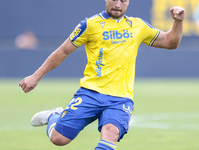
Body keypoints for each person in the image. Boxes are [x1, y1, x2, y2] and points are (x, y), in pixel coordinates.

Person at [19, 0, 185, 149]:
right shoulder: (89, 24)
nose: (118, 5)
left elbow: (171, 42)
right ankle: (55, 115)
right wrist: (36, 76)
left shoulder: (138, 26)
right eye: (114, 0)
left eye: (123, 0)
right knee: (59, 139)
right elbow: (62, 51)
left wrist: (178, 22)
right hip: (91, 93)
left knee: (111, 133)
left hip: (120, 98)